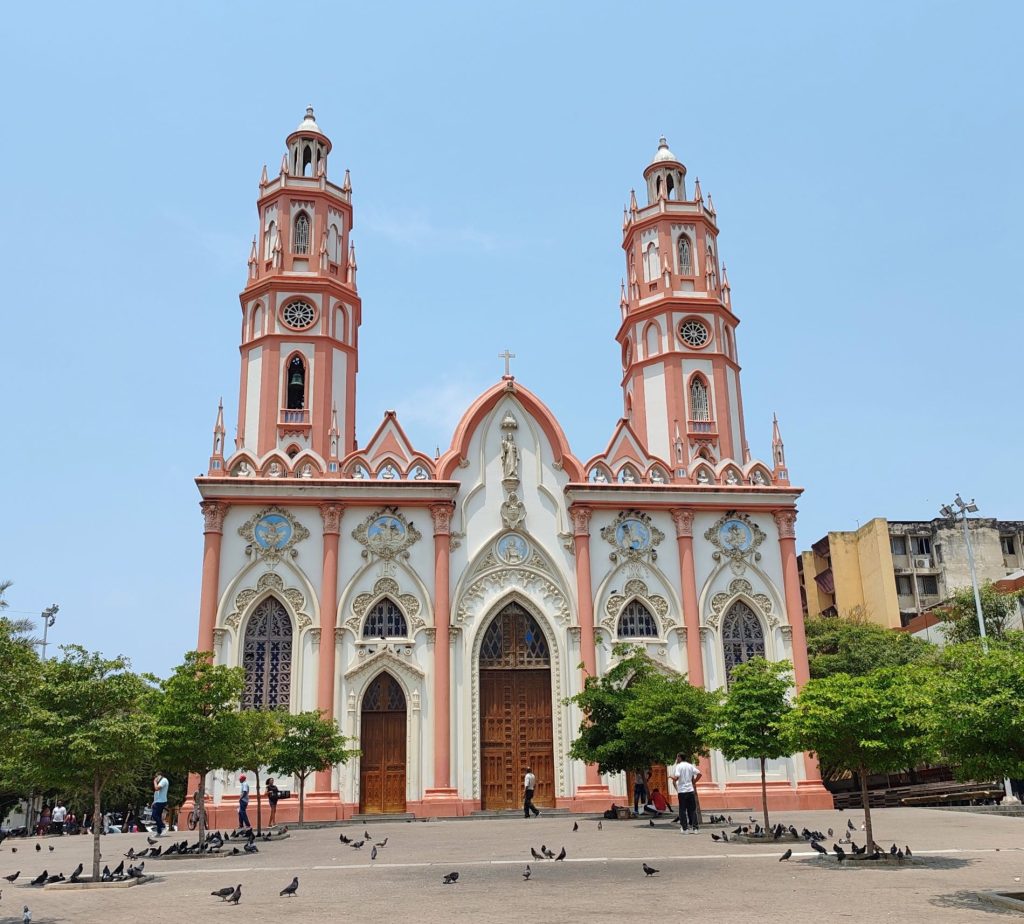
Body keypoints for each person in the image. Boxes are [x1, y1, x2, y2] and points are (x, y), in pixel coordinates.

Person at [670, 753, 702, 834]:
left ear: (680, 758)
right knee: (692, 810)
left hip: (682, 791)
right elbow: (699, 774)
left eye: (677, 757)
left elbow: (676, 777)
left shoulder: (679, 766)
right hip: (690, 790)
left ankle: (685, 828)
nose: (676, 759)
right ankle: (695, 828)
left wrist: (671, 777)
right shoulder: (690, 765)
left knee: (682, 810)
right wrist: (694, 782)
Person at [152, 771, 169, 836]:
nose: (156, 778)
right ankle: (159, 832)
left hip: (161, 801)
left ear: (160, 775)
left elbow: (156, 788)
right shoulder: (161, 781)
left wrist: (155, 782)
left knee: (154, 815)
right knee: (158, 816)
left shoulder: (164, 780)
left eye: (156, 776)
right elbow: (157, 793)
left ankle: (163, 826)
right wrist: (154, 801)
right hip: (158, 801)